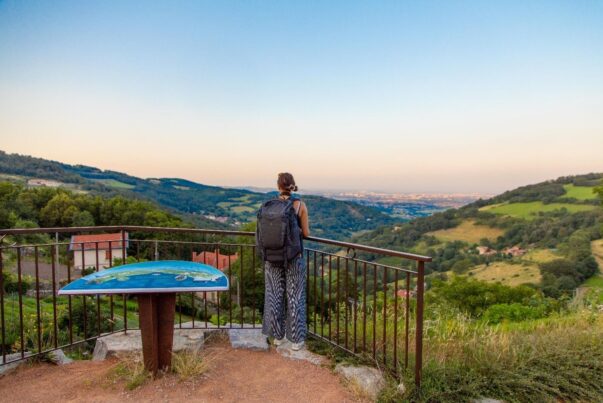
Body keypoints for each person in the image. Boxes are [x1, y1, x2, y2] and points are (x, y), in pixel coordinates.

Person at [261, 172, 310, 351]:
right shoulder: (299, 205)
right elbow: (306, 233)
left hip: (272, 257)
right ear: (293, 185)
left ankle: (277, 337)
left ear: (278, 186)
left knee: (274, 295)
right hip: (293, 257)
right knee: (295, 296)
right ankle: (296, 341)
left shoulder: (269, 206)